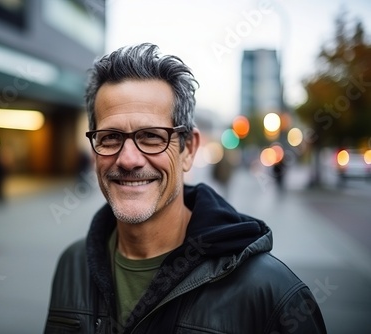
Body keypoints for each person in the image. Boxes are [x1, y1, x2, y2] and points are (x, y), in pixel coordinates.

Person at [44, 43, 326, 333]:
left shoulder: (271, 294)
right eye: (110, 137)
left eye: (152, 136)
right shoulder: (73, 265)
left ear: (188, 149)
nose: (128, 159)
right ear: (94, 148)